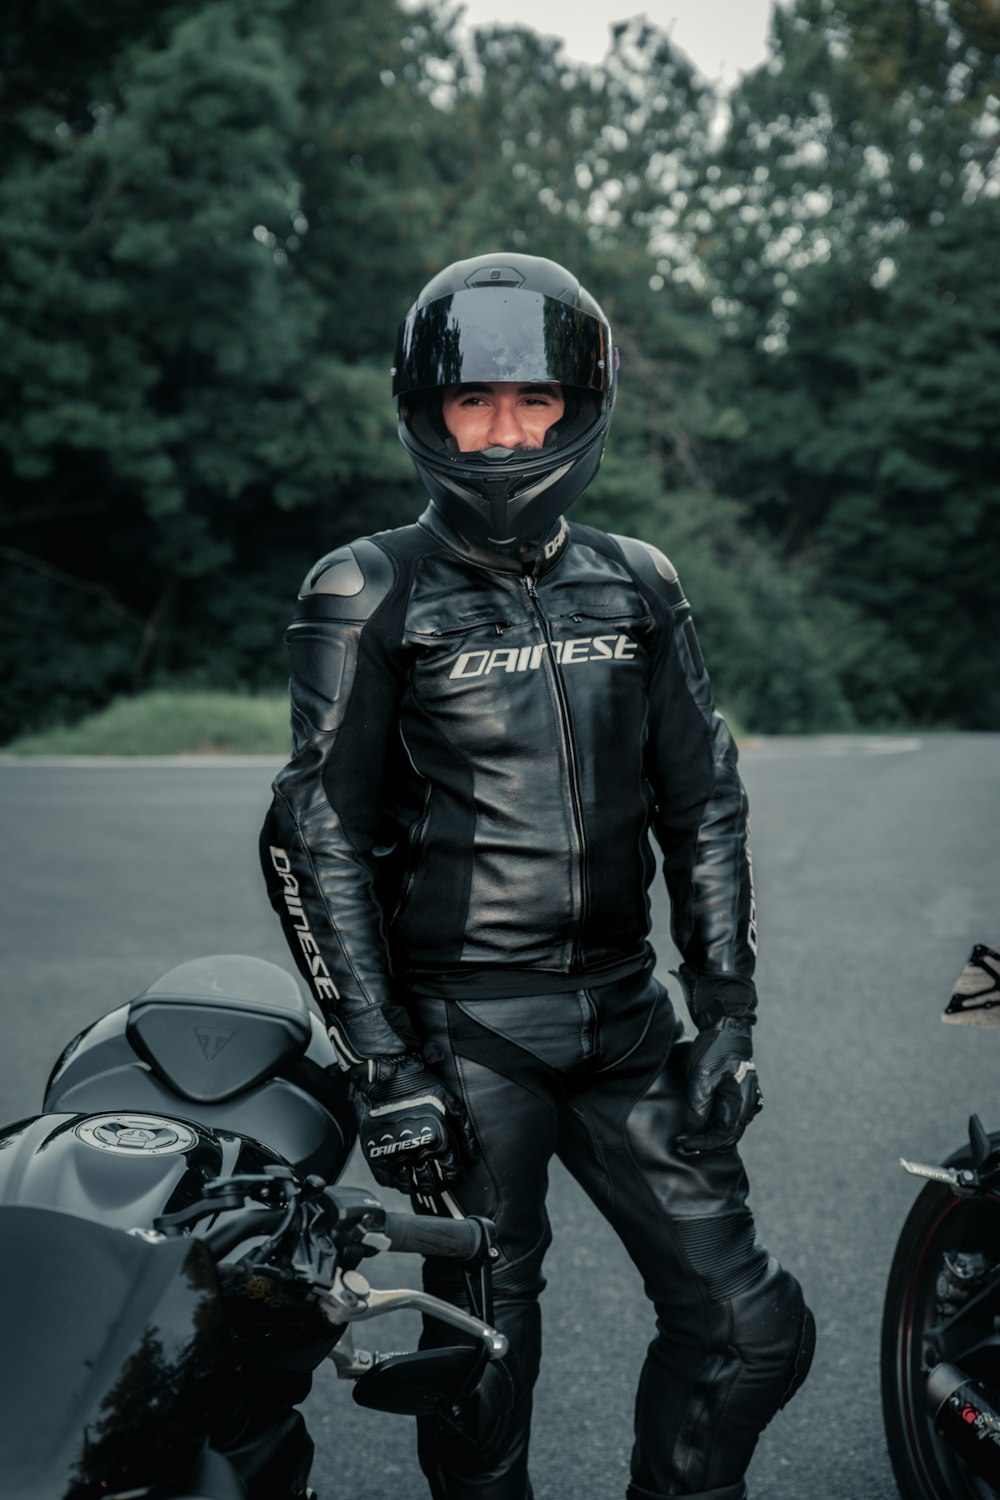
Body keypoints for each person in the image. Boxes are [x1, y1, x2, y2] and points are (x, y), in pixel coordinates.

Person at [260, 251, 814, 1500]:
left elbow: (702, 798)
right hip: (467, 1041)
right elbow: (316, 832)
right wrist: (386, 1066)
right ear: (427, 411)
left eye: (533, 402)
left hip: (629, 1026)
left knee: (750, 1331)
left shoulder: (641, 580)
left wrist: (728, 1012)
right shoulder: (364, 588)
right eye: (474, 403)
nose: (504, 433)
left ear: (579, 405)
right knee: (483, 1370)